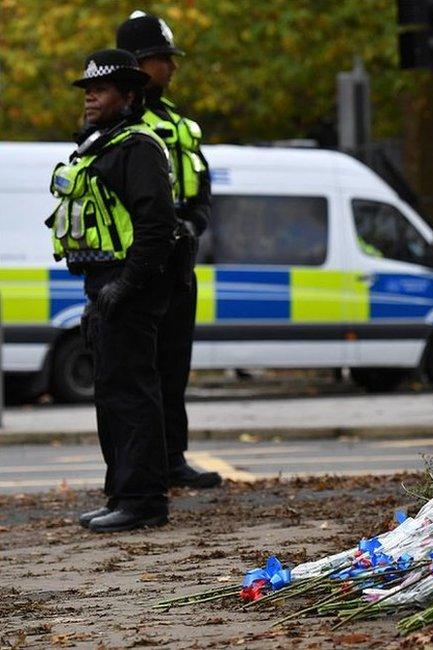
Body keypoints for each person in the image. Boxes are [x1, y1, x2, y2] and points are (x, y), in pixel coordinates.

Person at [49, 49, 176, 532]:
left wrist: (125, 286)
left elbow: (157, 226)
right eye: (87, 90)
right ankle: (123, 493)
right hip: (105, 284)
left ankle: (144, 501)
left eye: (99, 90)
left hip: (130, 285)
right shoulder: (103, 145)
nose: (90, 98)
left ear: (129, 95)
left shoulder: (138, 147)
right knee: (111, 394)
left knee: (133, 394)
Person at [117, 11, 220, 489]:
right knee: (144, 372)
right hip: (144, 258)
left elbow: (200, 181)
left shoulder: (177, 121)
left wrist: (194, 219)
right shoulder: (123, 119)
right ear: (140, 63)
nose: (172, 68)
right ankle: (146, 470)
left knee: (175, 364)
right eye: (164, 59)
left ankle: (172, 458)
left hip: (180, 258)